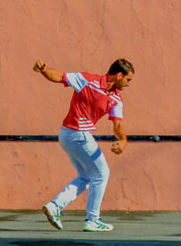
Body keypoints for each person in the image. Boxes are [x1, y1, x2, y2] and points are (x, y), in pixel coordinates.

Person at [32, 58, 134, 232]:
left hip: (71, 136)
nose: (128, 84)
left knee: (87, 176)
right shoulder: (88, 80)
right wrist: (43, 69)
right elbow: (60, 77)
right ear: (119, 75)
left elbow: (117, 124)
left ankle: (55, 206)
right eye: (128, 79)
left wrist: (123, 140)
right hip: (76, 133)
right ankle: (93, 219)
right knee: (102, 173)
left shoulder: (116, 97)